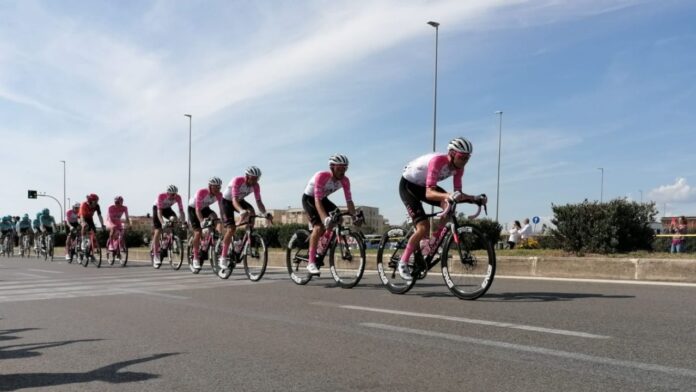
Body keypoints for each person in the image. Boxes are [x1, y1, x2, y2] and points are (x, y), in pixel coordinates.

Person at [397, 137, 487, 280]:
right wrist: (450, 195)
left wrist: (474, 199)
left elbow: (458, 194)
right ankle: (403, 262)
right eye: (461, 157)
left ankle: (433, 242)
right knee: (423, 227)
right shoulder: (437, 161)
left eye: (467, 158)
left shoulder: (459, 169)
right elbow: (429, 193)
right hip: (409, 185)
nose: (464, 161)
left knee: (449, 205)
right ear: (451, 154)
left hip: (424, 186)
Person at [302, 154, 362, 275]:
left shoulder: (345, 181)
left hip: (323, 199)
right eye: (339, 168)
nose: (342, 171)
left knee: (338, 218)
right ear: (332, 167)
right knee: (318, 227)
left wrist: (354, 216)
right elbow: (317, 201)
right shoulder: (322, 176)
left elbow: (349, 201)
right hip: (310, 199)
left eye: (345, 168)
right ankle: (311, 262)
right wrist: (325, 219)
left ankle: (322, 244)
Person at [219, 166, 273, 270]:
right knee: (231, 229)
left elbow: (259, 202)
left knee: (252, 212)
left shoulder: (256, 186)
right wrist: (241, 211)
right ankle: (223, 256)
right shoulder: (237, 181)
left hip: (239, 200)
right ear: (247, 176)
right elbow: (234, 200)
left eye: (257, 179)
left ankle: (244, 238)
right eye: (253, 178)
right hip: (227, 202)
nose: (254, 181)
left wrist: (265, 213)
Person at [188, 177, 225, 271]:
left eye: (219, 187)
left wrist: (224, 219)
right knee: (197, 232)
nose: (218, 189)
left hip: (204, 208)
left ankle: (217, 237)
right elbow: (197, 210)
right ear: (210, 186)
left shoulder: (219, 195)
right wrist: (201, 221)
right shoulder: (202, 192)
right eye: (215, 187)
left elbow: (221, 209)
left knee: (215, 216)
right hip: (194, 209)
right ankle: (195, 257)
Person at [152, 185, 186, 267]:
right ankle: (156, 254)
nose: (173, 196)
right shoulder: (161, 196)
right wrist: (163, 222)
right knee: (158, 230)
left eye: (175, 194)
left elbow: (181, 211)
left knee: (174, 219)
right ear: (167, 193)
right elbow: (159, 212)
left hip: (167, 209)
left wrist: (183, 222)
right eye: (171, 194)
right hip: (157, 208)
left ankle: (168, 238)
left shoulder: (178, 197)